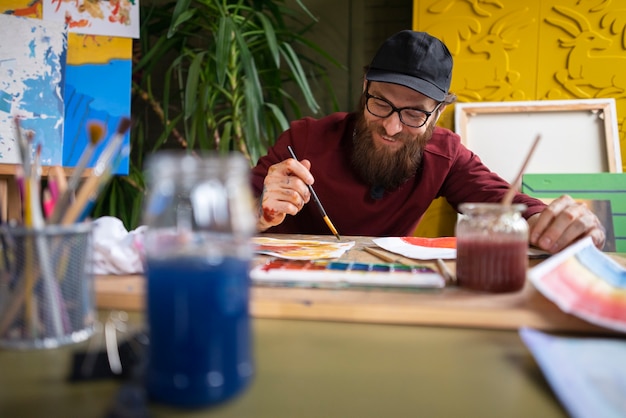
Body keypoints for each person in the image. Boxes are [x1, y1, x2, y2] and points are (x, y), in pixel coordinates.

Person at [251, 30, 606, 254]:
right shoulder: (305, 140)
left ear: (437, 113)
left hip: (385, 291)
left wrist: (565, 224)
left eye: (414, 114)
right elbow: (224, 214)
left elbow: (506, 205)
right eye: (381, 103)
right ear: (364, 88)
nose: (391, 126)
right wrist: (259, 212)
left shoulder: (445, 155)